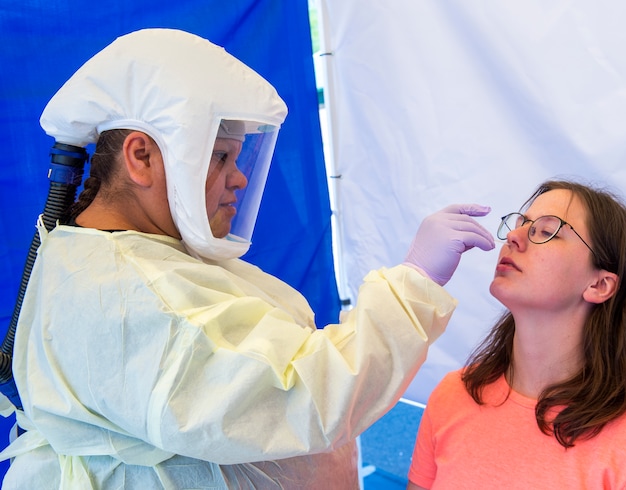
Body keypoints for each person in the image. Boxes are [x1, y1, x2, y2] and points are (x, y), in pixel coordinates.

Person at [0, 28, 496, 489]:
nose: (238, 178)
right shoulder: (121, 295)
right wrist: (412, 286)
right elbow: (302, 395)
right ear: (142, 157)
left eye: (238, 158)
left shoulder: (138, 260)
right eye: (221, 157)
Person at [407, 179, 626, 489]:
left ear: (600, 285)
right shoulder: (454, 395)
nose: (514, 237)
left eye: (546, 231)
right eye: (519, 224)